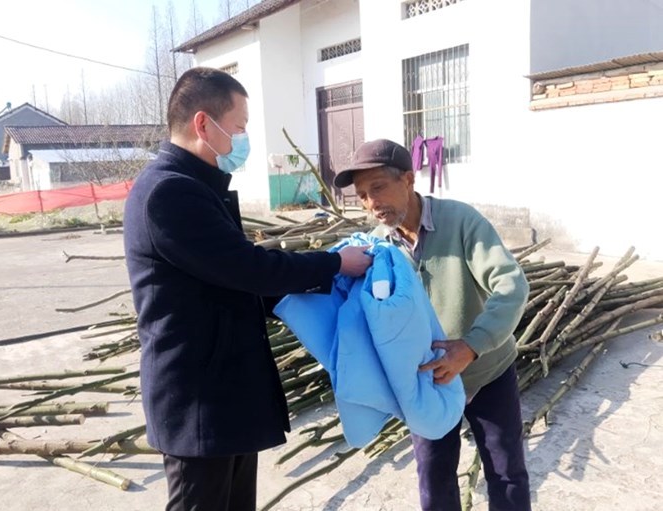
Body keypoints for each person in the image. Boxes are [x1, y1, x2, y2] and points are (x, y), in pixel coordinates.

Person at [123, 67, 372, 511]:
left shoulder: (197, 188)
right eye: (238, 127)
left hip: (224, 389)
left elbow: (234, 277)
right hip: (198, 398)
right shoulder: (169, 193)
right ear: (204, 124)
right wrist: (335, 263)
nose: (243, 139)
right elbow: (248, 269)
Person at [333, 138, 531, 511]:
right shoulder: (375, 248)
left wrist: (471, 346)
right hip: (425, 383)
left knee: (506, 474)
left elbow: (512, 285)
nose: (371, 203)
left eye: (378, 187)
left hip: (486, 371)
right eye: (362, 196)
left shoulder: (461, 222)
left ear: (408, 179)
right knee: (434, 480)